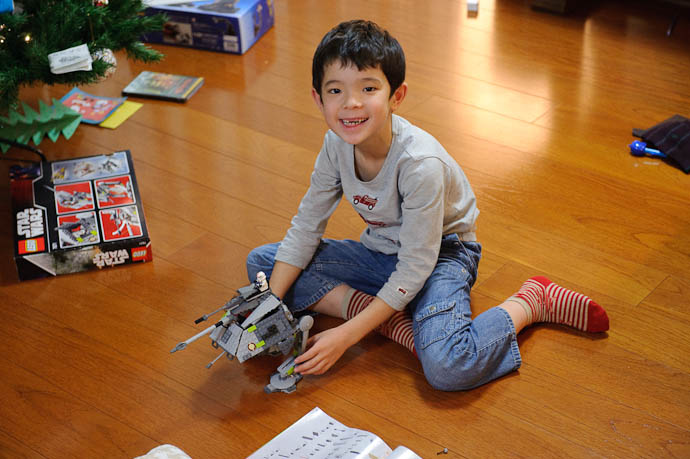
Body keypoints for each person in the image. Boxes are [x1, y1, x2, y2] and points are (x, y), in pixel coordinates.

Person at [246, 19, 609, 391]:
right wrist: (270, 303)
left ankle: (533, 301)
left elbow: (417, 264)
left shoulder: (420, 165)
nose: (351, 103)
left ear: (396, 96)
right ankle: (391, 320)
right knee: (262, 267)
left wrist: (347, 335)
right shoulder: (334, 144)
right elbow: (307, 226)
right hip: (384, 252)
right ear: (318, 98)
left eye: (368, 88)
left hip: (443, 256)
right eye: (335, 90)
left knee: (449, 366)